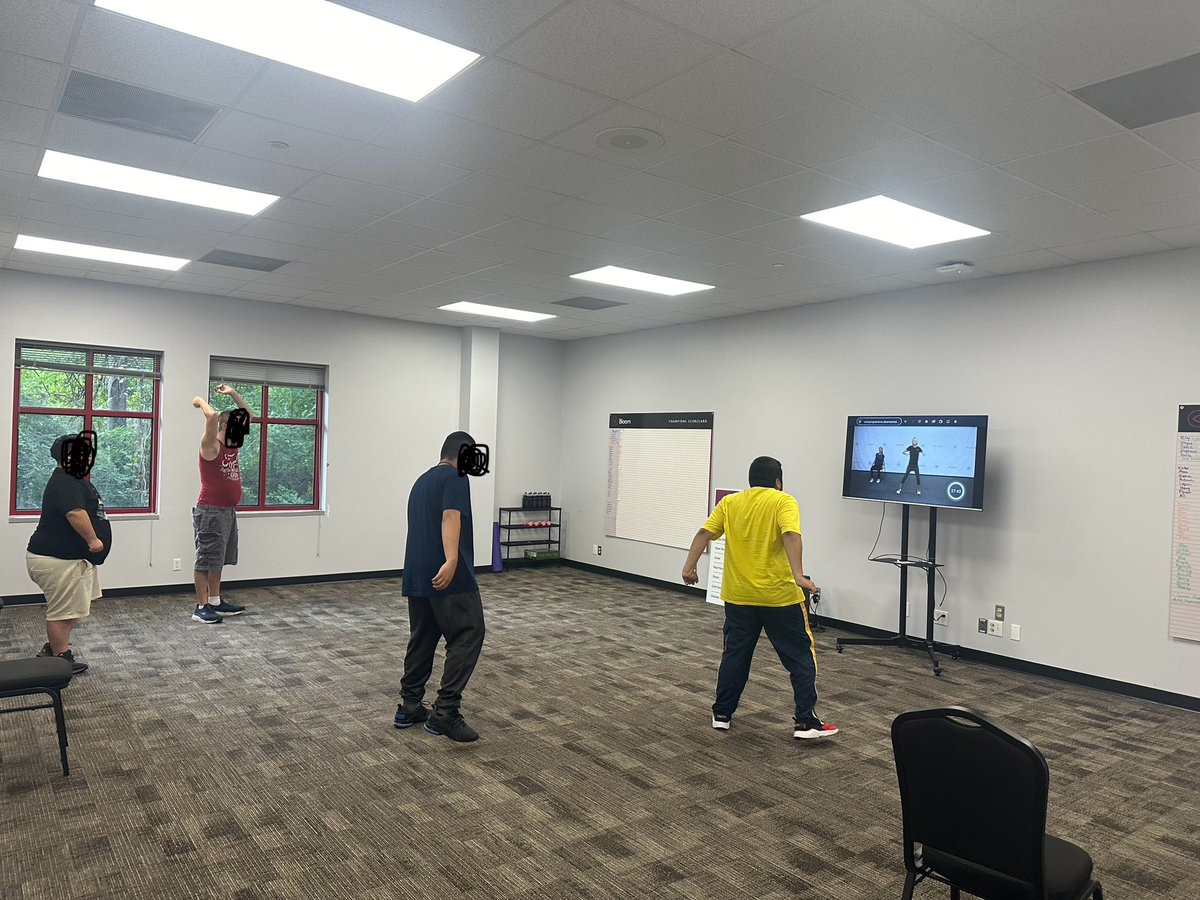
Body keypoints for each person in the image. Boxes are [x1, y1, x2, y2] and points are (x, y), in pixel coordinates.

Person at [682, 456, 837, 740]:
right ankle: (806, 721)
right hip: (780, 597)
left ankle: (722, 713)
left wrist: (689, 566)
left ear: (751, 480)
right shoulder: (783, 500)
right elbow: (791, 534)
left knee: (735, 655)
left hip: (739, 596)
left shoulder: (730, 502)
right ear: (778, 481)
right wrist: (799, 575)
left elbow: (705, 532)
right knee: (800, 657)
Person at [394, 431, 486, 743]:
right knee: (469, 633)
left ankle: (409, 706)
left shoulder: (422, 481)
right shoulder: (456, 478)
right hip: (448, 575)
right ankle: (445, 712)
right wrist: (452, 560)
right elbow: (450, 517)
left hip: (418, 573)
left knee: (423, 637)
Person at [26, 435, 106, 674]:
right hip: (58, 560)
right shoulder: (66, 481)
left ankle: (54, 648)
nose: (89, 458)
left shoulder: (71, 479)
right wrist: (92, 540)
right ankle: (60, 659)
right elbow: (75, 513)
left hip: (66, 560)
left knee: (71, 610)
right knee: (62, 612)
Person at [190, 385, 252, 623]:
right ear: (226, 426)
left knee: (218, 558)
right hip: (211, 512)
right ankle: (201, 606)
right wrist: (199, 400)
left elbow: (249, 414)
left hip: (227, 511)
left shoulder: (232, 444)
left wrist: (233, 393)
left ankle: (215, 601)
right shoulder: (211, 445)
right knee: (205, 559)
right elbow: (212, 415)